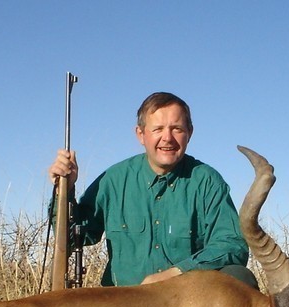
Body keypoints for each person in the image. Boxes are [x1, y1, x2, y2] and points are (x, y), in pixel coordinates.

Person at [48, 92, 256, 288]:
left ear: (189, 133)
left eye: (177, 129)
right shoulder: (114, 179)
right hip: (124, 303)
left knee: (240, 276)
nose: (167, 138)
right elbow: (79, 235)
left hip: (184, 301)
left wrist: (176, 273)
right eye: (158, 129)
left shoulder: (207, 181)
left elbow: (232, 245)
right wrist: (64, 190)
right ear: (141, 134)